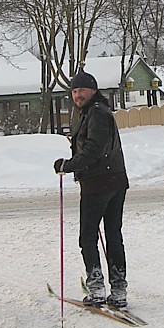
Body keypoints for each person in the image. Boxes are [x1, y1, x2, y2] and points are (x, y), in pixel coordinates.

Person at [53, 70, 130, 308]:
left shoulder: (96, 113)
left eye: (81, 90)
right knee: (113, 235)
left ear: (93, 91)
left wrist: (69, 165)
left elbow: (93, 150)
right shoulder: (95, 112)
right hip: (115, 180)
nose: (77, 95)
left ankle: (97, 288)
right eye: (74, 91)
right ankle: (118, 291)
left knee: (88, 236)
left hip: (99, 182)